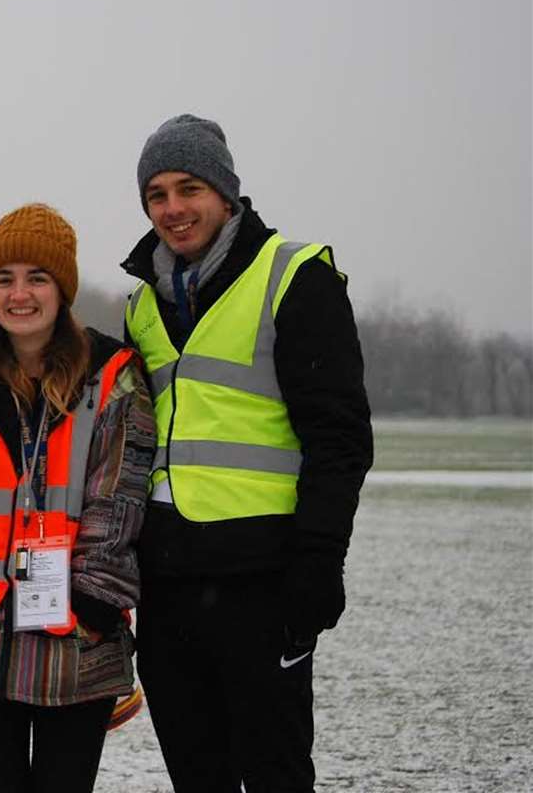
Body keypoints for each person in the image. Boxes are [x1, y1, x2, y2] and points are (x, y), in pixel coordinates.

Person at [121, 115, 373, 792]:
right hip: (168, 586)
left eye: (188, 188)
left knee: (273, 774)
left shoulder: (291, 277)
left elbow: (339, 437)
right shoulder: (141, 302)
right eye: (156, 195)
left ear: (225, 193)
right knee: (196, 776)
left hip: (263, 581)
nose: (172, 210)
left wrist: (318, 562)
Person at [0, 203, 155, 792]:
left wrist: (93, 605)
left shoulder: (113, 376)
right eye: (4, 279)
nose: (19, 294)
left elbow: (118, 498)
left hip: (74, 642)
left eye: (37, 278)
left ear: (62, 289)